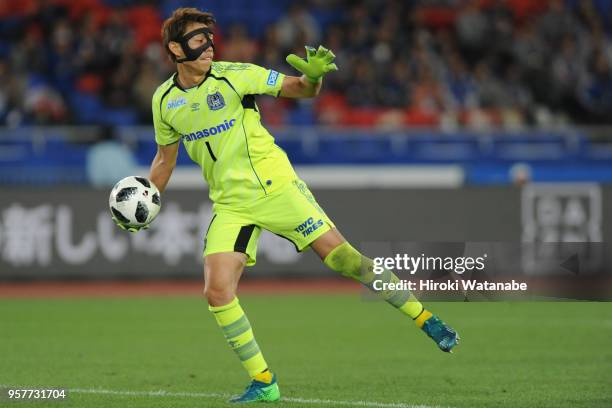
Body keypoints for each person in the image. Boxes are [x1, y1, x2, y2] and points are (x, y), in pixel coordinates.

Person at [111, 7, 459, 403]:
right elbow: (164, 159)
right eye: (196, 39)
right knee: (217, 290)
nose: (207, 47)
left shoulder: (236, 75)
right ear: (175, 48)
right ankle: (265, 382)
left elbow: (299, 90)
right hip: (231, 203)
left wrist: (312, 77)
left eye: (209, 38)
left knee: (346, 260)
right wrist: (148, 199)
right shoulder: (164, 101)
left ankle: (425, 319)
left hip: (277, 187)